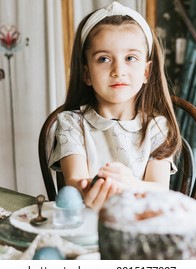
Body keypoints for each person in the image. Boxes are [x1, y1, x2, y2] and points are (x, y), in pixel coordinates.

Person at [49, 1, 182, 211]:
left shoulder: (156, 127)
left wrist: (131, 184)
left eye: (130, 58)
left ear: (146, 72)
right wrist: (85, 189)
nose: (118, 70)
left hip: (139, 227)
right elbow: (75, 181)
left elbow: (160, 190)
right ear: (86, 73)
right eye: (103, 59)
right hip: (87, 228)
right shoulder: (71, 124)